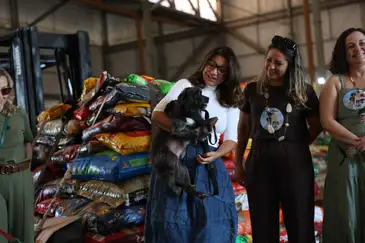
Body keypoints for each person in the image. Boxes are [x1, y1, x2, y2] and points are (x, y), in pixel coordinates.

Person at [144, 46, 242, 243]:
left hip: (207, 163)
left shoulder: (230, 101)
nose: (214, 72)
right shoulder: (185, 85)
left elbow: (232, 139)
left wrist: (216, 155)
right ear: (204, 63)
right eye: (211, 65)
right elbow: (157, 115)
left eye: (222, 69)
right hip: (176, 158)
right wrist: (184, 132)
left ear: (229, 74)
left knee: (212, 225)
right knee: (171, 223)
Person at [234, 35, 322, 243]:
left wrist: (296, 145)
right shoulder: (252, 90)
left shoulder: (303, 92)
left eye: (278, 63)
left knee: (301, 225)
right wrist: (238, 163)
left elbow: (317, 126)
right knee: (263, 227)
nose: (271, 66)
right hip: (259, 164)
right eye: (268, 60)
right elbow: (243, 128)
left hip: (296, 166)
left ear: (290, 66)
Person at [320, 27, 365, 243]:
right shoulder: (335, 82)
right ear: (343, 52)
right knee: (347, 213)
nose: (358, 48)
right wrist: (358, 142)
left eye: (362, 43)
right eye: (351, 45)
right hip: (346, 157)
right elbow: (327, 121)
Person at [0, 69, 34, 243]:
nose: (1, 96)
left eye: (4, 90)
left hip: (20, 178)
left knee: (24, 233)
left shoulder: (19, 114)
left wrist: (26, 168)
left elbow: (29, 141)